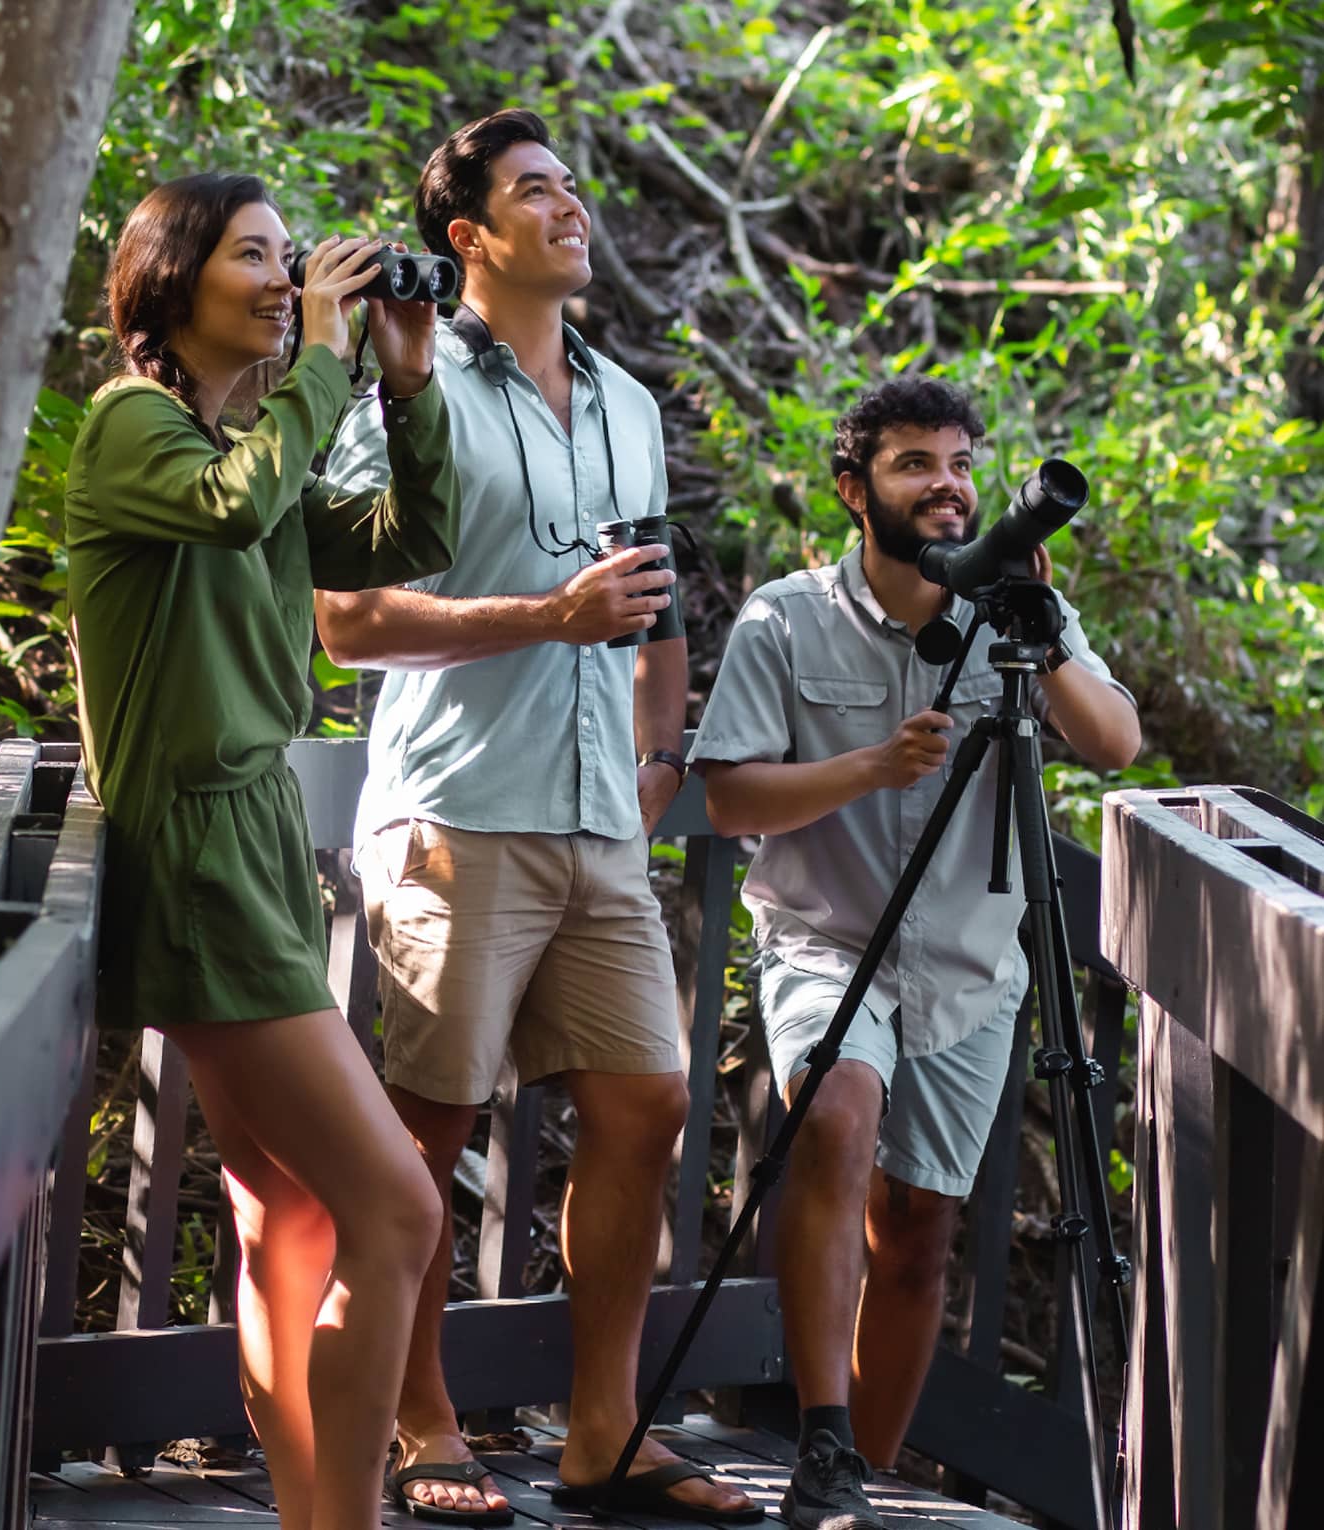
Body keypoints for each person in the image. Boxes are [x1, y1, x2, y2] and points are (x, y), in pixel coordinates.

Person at [315, 111, 759, 1526]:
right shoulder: (408, 381)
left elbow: (659, 598)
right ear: (468, 236)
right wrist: (542, 617)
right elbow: (347, 621)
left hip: (599, 821)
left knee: (647, 1103)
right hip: (457, 813)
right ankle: (420, 1418)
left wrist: (657, 750)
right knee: (424, 1139)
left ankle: (601, 1433)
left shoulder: (629, 402)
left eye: (571, 185)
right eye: (534, 192)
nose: (569, 207)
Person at [64, 172, 462, 1530]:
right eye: (255, 257)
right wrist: (330, 368)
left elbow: (416, 536)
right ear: (171, 285)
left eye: (295, 259)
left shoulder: (250, 442)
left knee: (284, 1210)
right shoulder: (136, 425)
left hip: (256, 845)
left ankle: (308, 1509)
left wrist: (406, 390)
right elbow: (235, 506)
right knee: (396, 1211)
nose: (288, 282)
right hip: (197, 854)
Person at [689, 378, 1141, 1530]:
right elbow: (731, 795)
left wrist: (1040, 633)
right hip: (827, 939)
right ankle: (823, 1441)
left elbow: (1115, 741)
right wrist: (867, 770)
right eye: (913, 463)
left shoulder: (1016, 607)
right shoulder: (783, 620)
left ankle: (864, 1481)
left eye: (959, 461)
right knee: (836, 1113)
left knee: (919, 1235)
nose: (947, 484)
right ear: (855, 489)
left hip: (971, 968)